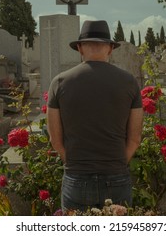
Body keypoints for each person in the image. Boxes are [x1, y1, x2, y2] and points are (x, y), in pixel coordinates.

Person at [47, 20, 143, 212]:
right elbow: (135, 138)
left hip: (77, 176)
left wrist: (73, 163)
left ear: (80, 49)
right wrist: (116, 164)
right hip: (116, 174)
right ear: (110, 49)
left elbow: (55, 140)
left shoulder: (59, 82)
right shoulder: (129, 82)